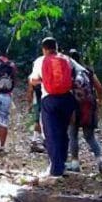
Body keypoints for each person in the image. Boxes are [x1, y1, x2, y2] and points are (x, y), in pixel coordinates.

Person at [29, 37, 78, 177]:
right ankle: (61, 163)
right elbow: (81, 73)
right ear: (56, 47)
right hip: (68, 99)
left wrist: (43, 80)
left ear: (44, 49)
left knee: (51, 134)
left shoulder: (40, 60)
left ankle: (55, 169)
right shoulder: (67, 59)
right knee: (63, 132)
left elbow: (33, 80)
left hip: (49, 99)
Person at [66, 49, 102, 178]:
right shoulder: (88, 71)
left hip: (74, 107)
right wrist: (100, 101)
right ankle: (100, 160)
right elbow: (99, 87)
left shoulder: (68, 72)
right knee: (90, 137)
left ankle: (75, 163)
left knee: (72, 135)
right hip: (89, 107)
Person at [26, 81, 46, 153]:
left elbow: (30, 90)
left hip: (37, 100)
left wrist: (29, 104)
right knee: (40, 121)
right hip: (45, 100)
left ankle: (35, 141)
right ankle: (41, 140)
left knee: (38, 120)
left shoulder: (35, 75)